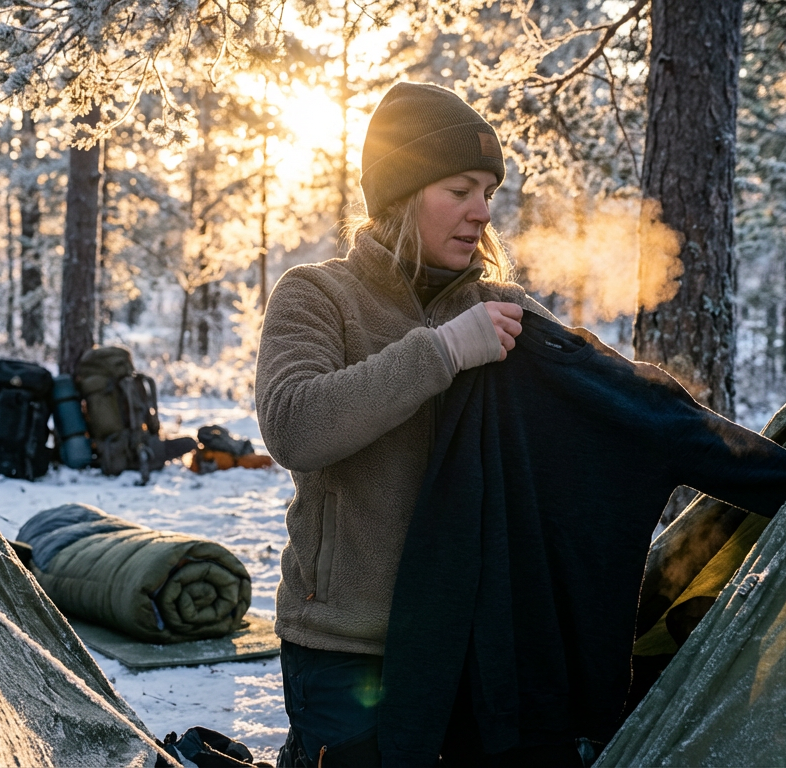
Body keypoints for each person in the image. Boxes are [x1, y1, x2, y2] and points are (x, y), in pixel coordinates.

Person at [255, 82, 553, 767]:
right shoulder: (318, 295)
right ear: (400, 195)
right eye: (459, 189)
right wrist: (442, 352)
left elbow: (614, 401)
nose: (482, 213)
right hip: (345, 645)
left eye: (489, 192)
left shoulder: (501, 311)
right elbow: (295, 425)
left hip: (466, 643)